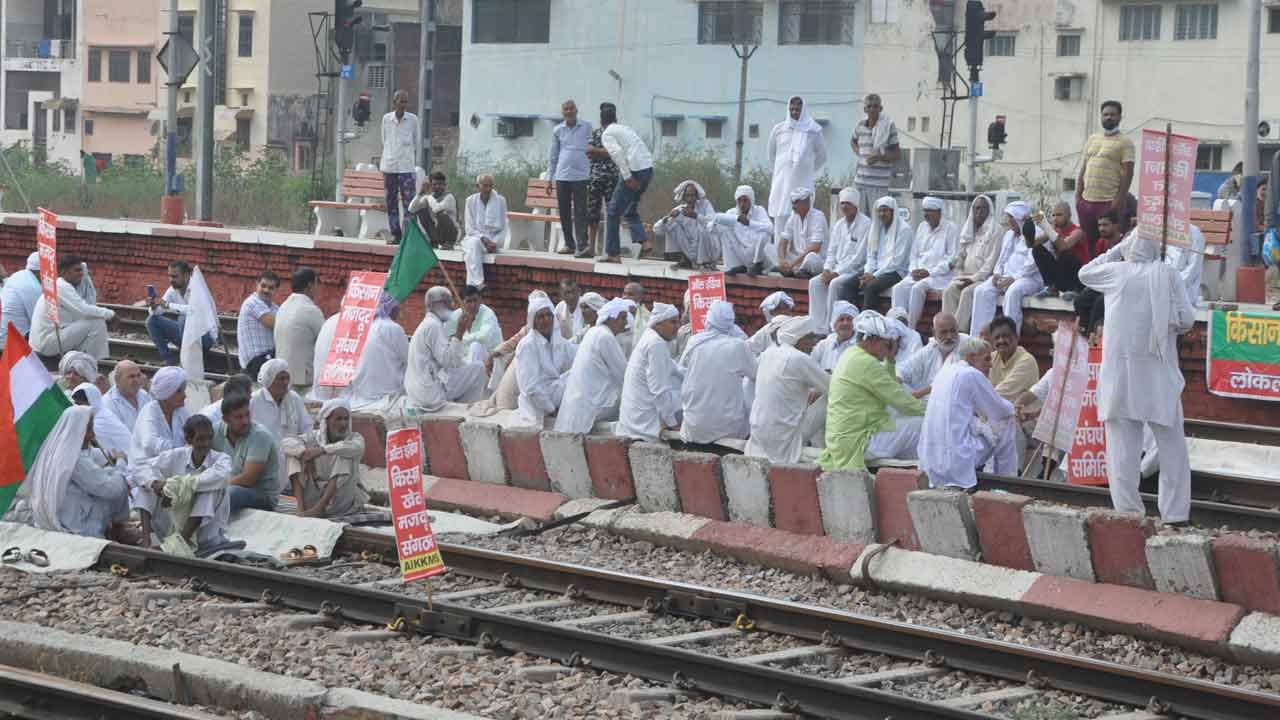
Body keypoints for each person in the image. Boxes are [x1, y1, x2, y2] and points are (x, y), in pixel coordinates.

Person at [1078, 233, 1196, 523]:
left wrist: (1116, 248)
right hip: (1159, 375)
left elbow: (1084, 273)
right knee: (1173, 448)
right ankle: (1175, 514)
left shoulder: (1116, 273)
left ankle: (1129, 514)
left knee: (1122, 449)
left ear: (1129, 247)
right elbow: (1187, 320)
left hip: (1120, 377)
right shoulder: (1168, 274)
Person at [819, 311, 926, 472]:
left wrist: (890, 360)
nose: (890, 349)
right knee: (922, 424)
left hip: (844, 439)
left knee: (910, 420)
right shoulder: (867, 364)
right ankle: (926, 475)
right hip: (859, 441)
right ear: (873, 340)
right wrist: (936, 411)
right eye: (887, 345)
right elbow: (904, 403)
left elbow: (891, 388)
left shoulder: (851, 354)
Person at [919, 337, 1019, 490]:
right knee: (1007, 420)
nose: (991, 365)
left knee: (985, 423)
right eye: (986, 359)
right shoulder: (970, 374)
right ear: (972, 357)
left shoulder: (946, 371)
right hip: (956, 461)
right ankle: (1006, 485)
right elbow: (1000, 410)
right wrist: (1016, 409)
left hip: (930, 462)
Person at [131, 414, 234, 552]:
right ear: (188, 439)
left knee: (211, 489)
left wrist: (172, 488)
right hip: (172, 526)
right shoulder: (178, 455)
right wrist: (156, 485)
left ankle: (181, 542)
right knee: (146, 485)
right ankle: (146, 540)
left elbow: (218, 477)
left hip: (206, 534)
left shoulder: (222, 459)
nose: (206, 444)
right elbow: (139, 468)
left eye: (209, 438)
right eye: (200, 439)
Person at [23, 406, 129, 539]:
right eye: (89, 429)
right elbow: (112, 489)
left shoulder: (57, 449)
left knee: (109, 472)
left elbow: (93, 457)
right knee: (120, 480)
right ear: (78, 431)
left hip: (61, 516)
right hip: (78, 526)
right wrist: (121, 464)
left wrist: (112, 462)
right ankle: (118, 531)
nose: (93, 435)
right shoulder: (75, 460)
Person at [746, 316, 830, 464]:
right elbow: (832, 386)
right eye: (811, 338)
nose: (813, 344)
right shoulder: (798, 358)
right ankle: (830, 445)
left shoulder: (768, 353)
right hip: (786, 438)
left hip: (759, 436)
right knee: (835, 395)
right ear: (799, 338)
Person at [678, 300, 755, 445]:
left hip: (694, 426)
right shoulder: (737, 345)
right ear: (731, 322)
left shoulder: (694, 341)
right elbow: (756, 374)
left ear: (709, 320)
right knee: (750, 383)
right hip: (728, 428)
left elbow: (682, 370)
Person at [554, 298, 631, 434]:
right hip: (591, 405)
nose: (625, 322)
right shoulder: (605, 336)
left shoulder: (594, 332)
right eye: (623, 318)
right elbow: (625, 375)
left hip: (578, 404)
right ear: (611, 319)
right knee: (632, 394)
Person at [406, 286, 489, 411]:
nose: (452, 306)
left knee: (470, 363)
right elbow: (450, 362)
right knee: (478, 369)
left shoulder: (430, 323)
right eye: (449, 302)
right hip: (429, 393)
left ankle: (460, 405)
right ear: (439, 305)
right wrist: (459, 332)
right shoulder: (433, 326)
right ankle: (467, 410)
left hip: (420, 389)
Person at [282, 398, 368, 519]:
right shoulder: (314, 437)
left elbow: (356, 448)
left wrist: (321, 450)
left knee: (345, 454)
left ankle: (320, 508)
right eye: (338, 419)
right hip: (313, 496)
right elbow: (285, 443)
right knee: (293, 456)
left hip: (341, 500)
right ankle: (300, 508)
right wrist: (304, 453)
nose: (343, 424)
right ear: (326, 421)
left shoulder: (355, 438)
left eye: (345, 419)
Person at [969, 202, 1045, 336]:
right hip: (1006, 277)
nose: (1009, 221)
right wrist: (997, 273)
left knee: (1012, 292)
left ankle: (1010, 338)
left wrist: (1013, 278)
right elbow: (1001, 259)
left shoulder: (1037, 233)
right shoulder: (1009, 235)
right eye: (1008, 217)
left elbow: (1032, 264)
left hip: (1029, 279)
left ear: (1019, 218)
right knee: (981, 290)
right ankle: (980, 338)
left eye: (1011, 217)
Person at [597, 103, 655, 263]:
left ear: (601, 122)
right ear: (616, 118)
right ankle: (644, 242)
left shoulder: (607, 133)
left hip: (634, 170)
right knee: (630, 209)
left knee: (613, 211)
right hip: (647, 168)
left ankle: (613, 253)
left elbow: (616, 153)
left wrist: (627, 176)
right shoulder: (624, 129)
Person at [617, 303, 683, 441]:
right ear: (658, 324)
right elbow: (659, 390)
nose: (677, 327)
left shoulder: (651, 339)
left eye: (678, 322)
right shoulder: (655, 344)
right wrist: (673, 425)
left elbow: (677, 370)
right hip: (643, 426)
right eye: (672, 322)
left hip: (633, 420)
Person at [1075, 100, 1135, 253]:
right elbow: (1083, 168)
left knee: (1111, 246)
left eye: (1112, 115)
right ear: (1101, 117)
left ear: (1120, 117)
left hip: (1109, 202)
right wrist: (1078, 197)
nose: (1109, 117)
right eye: (1105, 114)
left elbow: (1128, 173)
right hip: (1087, 202)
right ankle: (1089, 276)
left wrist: (1118, 201)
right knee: (1089, 244)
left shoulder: (1125, 142)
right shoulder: (1092, 139)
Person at [29, 255, 114, 360]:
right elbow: (84, 310)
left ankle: (82, 361)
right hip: (46, 342)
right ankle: (92, 363)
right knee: (96, 322)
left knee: (91, 321)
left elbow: (81, 312)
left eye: (82, 270)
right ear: (64, 272)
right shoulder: (61, 286)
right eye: (77, 270)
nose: (81, 274)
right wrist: (111, 314)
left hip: (45, 340)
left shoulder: (60, 285)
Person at [891, 196, 959, 329]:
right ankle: (896, 327)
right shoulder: (922, 227)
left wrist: (929, 272)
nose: (926, 215)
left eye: (930, 211)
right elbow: (914, 255)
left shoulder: (951, 228)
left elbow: (952, 259)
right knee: (898, 288)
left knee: (917, 288)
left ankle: (910, 328)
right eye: (925, 211)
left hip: (940, 276)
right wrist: (914, 270)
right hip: (919, 273)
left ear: (939, 212)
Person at [810, 188, 870, 331]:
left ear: (855, 205)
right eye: (842, 203)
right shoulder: (838, 225)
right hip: (835, 268)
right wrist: (826, 270)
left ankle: (831, 327)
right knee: (814, 283)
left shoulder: (866, 224)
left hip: (855, 270)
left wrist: (836, 273)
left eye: (848, 203)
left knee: (835, 283)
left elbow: (860, 258)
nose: (844, 207)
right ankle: (816, 326)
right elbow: (831, 251)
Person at [515, 294, 577, 427]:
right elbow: (531, 388)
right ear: (533, 321)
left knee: (580, 373)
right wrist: (551, 409)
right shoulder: (528, 345)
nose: (546, 320)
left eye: (549, 315)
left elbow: (576, 353)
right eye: (541, 317)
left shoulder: (556, 340)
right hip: (536, 405)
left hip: (552, 392)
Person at [214, 393, 281, 513]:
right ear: (226, 420)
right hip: (226, 486)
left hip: (262, 496)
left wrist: (212, 485)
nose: (245, 421)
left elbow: (248, 479)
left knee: (229, 494)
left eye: (247, 414)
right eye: (238, 417)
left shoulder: (260, 436)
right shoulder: (215, 431)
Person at [943, 195, 1001, 331]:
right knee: (949, 291)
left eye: (982, 209)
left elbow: (990, 264)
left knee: (966, 293)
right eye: (976, 209)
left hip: (984, 279)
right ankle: (945, 328)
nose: (978, 212)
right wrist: (959, 274)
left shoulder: (995, 231)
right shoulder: (969, 229)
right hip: (965, 276)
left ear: (989, 211)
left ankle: (957, 332)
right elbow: (960, 257)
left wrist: (972, 279)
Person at [767, 96, 828, 226]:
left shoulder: (813, 130)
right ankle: (780, 247)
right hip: (781, 183)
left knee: (802, 221)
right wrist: (781, 170)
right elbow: (771, 155)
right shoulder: (779, 129)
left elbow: (822, 156)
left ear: (804, 110)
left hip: (802, 183)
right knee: (781, 221)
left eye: (797, 110)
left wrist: (806, 169)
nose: (794, 112)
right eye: (792, 109)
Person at [845, 196, 913, 312]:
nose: (882, 214)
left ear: (892, 211)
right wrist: (868, 272)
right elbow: (871, 255)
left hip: (896, 272)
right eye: (879, 211)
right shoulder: (877, 228)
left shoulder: (904, 230)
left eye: (885, 210)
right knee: (848, 284)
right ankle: (853, 318)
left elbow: (896, 262)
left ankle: (868, 321)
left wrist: (874, 276)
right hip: (876, 270)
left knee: (871, 287)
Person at [250, 359, 311, 482]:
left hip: (292, 456)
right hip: (264, 458)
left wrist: (300, 444)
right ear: (270, 379)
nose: (285, 382)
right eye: (281, 379)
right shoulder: (254, 401)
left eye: (287, 378)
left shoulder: (294, 398)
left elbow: (307, 428)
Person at [547, 99, 593, 258]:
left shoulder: (586, 127)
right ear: (562, 113)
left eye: (571, 108)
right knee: (564, 212)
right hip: (562, 176)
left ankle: (582, 245)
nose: (569, 111)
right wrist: (549, 178)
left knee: (581, 211)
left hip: (581, 176)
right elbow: (553, 156)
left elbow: (592, 149)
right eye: (565, 109)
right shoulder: (557, 130)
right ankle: (569, 244)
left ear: (576, 110)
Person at [147, 260, 215, 366]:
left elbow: (193, 310)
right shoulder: (173, 290)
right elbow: (157, 312)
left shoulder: (197, 288)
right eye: (169, 276)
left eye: (174, 277)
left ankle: (190, 362)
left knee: (184, 319)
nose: (171, 280)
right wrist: (154, 306)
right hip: (186, 336)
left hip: (204, 338)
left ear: (186, 275)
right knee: (151, 321)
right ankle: (168, 361)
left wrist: (168, 305)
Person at [349, 294, 410, 409]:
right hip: (385, 395)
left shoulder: (363, 327)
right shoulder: (393, 328)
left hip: (361, 394)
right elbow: (410, 359)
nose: (399, 310)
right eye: (397, 306)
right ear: (391, 308)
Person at [379, 89, 421, 245]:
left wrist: (406, 155)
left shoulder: (413, 120)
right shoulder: (386, 119)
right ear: (394, 102)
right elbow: (384, 140)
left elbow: (416, 141)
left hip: (406, 167)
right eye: (400, 101)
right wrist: (392, 154)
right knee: (391, 201)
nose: (403, 105)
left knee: (409, 202)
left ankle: (409, 235)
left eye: (405, 101)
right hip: (389, 166)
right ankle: (396, 234)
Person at [1072, 210, 1123, 336]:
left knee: (1099, 304)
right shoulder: (1101, 243)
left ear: (1116, 225)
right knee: (1080, 300)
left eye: (1105, 225)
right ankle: (1083, 335)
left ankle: (1092, 338)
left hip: (1118, 286)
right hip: (1102, 284)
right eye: (1099, 225)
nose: (1101, 228)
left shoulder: (1124, 244)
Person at [274, 267, 326, 389]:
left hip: (281, 373)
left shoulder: (283, 306)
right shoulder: (310, 310)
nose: (318, 289)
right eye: (317, 284)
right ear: (310, 285)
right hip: (301, 379)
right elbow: (326, 341)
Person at [129, 366, 190, 466]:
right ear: (166, 394)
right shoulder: (150, 410)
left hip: (171, 466)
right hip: (146, 468)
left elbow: (191, 434)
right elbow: (149, 443)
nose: (184, 396)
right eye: (179, 391)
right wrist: (182, 449)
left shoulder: (181, 411)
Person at [851, 94, 901, 213]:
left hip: (879, 185)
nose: (872, 109)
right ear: (865, 109)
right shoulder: (860, 126)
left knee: (878, 221)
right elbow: (853, 141)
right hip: (860, 183)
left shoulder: (888, 126)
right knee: (861, 221)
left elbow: (897, 154)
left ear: (880, 108)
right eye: (869, 106)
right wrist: (861, 154)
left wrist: (879, 157)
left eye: (875, 106)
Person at [896, 311, 964, 395]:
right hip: (925, 401)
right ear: (934, 333)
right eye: (944, 332)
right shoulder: (931, 348)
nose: (949, 336)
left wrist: (917, 395)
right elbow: (904, 369)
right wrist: (897, 379)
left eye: (953, 331)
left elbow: (949, 382)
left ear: (958, 329)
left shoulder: (967, 347)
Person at [654, 180, 718, 270]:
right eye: (687, 196)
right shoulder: (679, 210)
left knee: (704, 227)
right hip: (690, 251)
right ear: (683, 197)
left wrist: (696, 216)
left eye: (692, 195)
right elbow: (657, 230)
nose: (690, 199)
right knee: (672, 225)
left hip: (708, 251)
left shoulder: (705, 205)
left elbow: (714, 223)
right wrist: (667, 218)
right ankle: (681, 259)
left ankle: (706, 262)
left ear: (697, 196)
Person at [1032, 202, 1088, 299]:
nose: (1055, 218)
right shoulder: (1054, 231)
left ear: (1069, 215)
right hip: (1062, 276)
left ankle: (1076, 290)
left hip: (1080, 277)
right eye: (1053, 215)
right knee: (1037, 250)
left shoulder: (1078, 231)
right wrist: (1027, 227)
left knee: (1065, 253)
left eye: (1059, 215)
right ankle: (1052, 288)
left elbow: (1064, 246)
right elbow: (1032, 244)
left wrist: (1047, 228)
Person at [461, 175, 510, 288]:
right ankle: (478, 283)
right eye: (485, 186)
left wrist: (495, 243)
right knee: (474, 244)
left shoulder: (501, 201)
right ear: (477, 187)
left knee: (472, 252)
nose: (488, 189)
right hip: (474, 238)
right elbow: (469, 229)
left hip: (493, 242)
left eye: (490, 186)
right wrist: (483, 238)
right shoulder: (470, 201)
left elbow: (503, 227)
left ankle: (471, 286)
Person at [714, 185, 774, 275]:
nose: (742, 204)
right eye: (739, 200)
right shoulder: (731, 212)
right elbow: (712, 226)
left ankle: (757, 265)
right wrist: (715, 223)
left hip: (755, 253)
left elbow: (771, 228)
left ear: (751, 200)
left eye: (745, 200)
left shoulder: (759, 210)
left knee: (764, 234)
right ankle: (734, 266)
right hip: (739, 253)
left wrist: (749, 223)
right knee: (723, 230)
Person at [770, 187, 827, 278]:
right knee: (769, 249)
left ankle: (795, 271)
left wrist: (793, 264)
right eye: (792, 203)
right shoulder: (793, 217)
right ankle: (792, 270)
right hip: (796, 260)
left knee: (811, 258)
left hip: (814, 261)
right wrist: (781, 260)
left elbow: (815, 247)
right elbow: (783, 241)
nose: (793, 206)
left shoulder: (818, 217)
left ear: (806, 202)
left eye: (796, 202)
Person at [586, 116, 621, 256]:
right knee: (592, 213)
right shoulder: (596, 133)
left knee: (612, 214)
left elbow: (616, 153)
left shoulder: (618, 134)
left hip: (612, 178)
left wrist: (597, 151)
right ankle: (591, 248)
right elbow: (588, 152)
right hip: (595, 177)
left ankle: (610, 250)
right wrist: (605, 152)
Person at [236, 271, 280, 378]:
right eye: (263, 286)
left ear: (276, 290)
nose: (266, 290)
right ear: (257, 284)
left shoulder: (275, 308)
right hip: (254, 361)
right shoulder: (252, 302)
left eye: (271, 288)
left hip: (267, 358)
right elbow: (277, 325)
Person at [71, 383, 133, 458]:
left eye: (80, 404)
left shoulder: (98, 422)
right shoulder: (102, 412)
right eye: (75, 404)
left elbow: (108, 455)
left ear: (92, 401)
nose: (77, 407)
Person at [987, 316, 1040, 403]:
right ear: (992, 341)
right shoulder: (992, 358)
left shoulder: (1027, 361)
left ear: (1016, 337)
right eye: (997, 337)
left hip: (1021, 415)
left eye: (1005, 336)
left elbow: (1000, 394)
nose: (1001, 341)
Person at [445, 284, 504, 356]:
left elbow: (483, 337)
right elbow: (446, 338)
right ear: (461, 302)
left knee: (475, 346)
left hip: (491, 357)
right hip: (465, 357)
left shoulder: (488, 314)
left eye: (475, 300)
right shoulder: (454, 316)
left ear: (480, 299)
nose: (473, 305)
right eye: (469, 301)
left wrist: (459, 338)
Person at [0, 252, 43, 347]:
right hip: (11, 346)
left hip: (7, 338)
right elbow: (39, 322)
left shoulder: (18, 276)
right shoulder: (32, 287)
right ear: (41, 271)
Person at [409, 171, 459, 249]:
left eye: (440, 184)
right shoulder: (430, 197)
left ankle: (449, 243)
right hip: (437, 232)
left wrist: (428, 195)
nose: (438, 186)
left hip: (452, 234)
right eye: (435, 184)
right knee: (421, 211)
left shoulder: (449, 197)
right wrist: (419, 194)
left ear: (445, 185)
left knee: (441, 214)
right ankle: (433, 242)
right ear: (431, 185)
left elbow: (436, 209)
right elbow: (411, 209)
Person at [103, 359, 151, 431]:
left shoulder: (144, 395)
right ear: (117, 379)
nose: (136, 380)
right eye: (131, 376)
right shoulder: (108, 403)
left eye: (138, 375)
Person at [1166, 223, 1206, 309]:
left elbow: (1193, 269)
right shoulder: (1155, 231)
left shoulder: (1194, 233)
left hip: (1182, 297)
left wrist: (1171, 285)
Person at [812, 301, 858, 372]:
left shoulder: (859, 346)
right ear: (834, 323)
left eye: (849, 319)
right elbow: (812, 366)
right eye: (841, 319)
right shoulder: (823, 345)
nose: (845, 323)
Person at [749, 291, 796, 356]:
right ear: (771, 312)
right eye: (779, 309)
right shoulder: (766, 330)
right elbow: (748, 348)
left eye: (785, 308)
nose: (783, 311)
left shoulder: (797, 325)